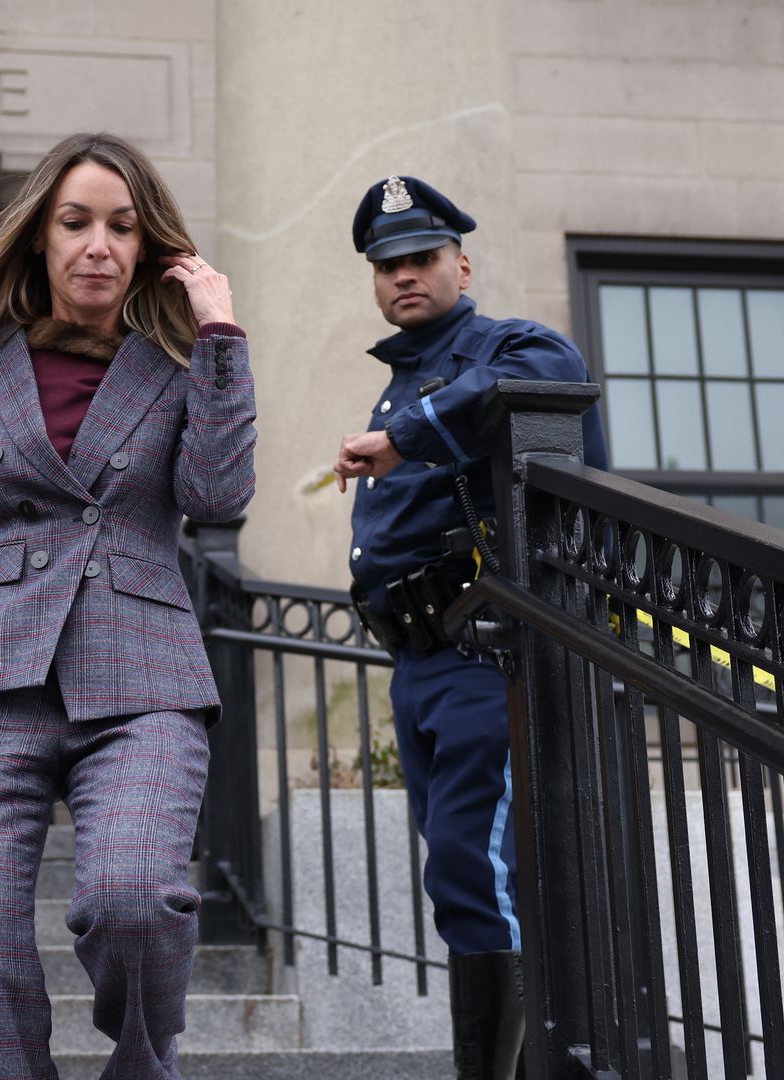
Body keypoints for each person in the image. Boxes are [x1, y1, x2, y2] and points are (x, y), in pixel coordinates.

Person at [0, 132, 257, 1080]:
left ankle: (143, 1067)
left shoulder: (178, 363)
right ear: (39, 236)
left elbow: (219, 498)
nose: (97, 246)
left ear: (149, 246)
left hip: (144, 679)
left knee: (134, 900)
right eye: (75, 223)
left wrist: (221, 338)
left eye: (121, 227)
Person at [331, 175, 609, 1080]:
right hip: (419, 663)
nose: (403, 276)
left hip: (487, 653)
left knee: (468, 864)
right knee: (467, 878)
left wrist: (409, 436)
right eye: (387, 265)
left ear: (463, 262)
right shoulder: (401, 381)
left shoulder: (508, 345)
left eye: (421, 258)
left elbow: (551, 379)